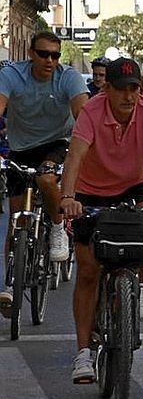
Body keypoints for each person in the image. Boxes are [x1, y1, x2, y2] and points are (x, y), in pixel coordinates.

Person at [58, 57, 143, 384]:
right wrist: (68, 198)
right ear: (107, 88)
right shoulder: (92, 111)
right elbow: (74, 157)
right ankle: (83, 352)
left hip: (135, 185)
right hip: (90, 191)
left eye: (135, 88)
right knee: (87, 270)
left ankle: (140, 285)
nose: (129, 96)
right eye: (122, 89)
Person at [0, 31, 89, 314]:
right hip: (20, 148)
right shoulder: (13, 75)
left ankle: (58, 227)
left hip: (57, 143)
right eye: (43, 54)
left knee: (47, 178)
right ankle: (10, 283)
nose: (50, 60)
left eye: (55, 55)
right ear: (31, 53)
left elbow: (84, 117)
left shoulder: (68, 77)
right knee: (16, 223)